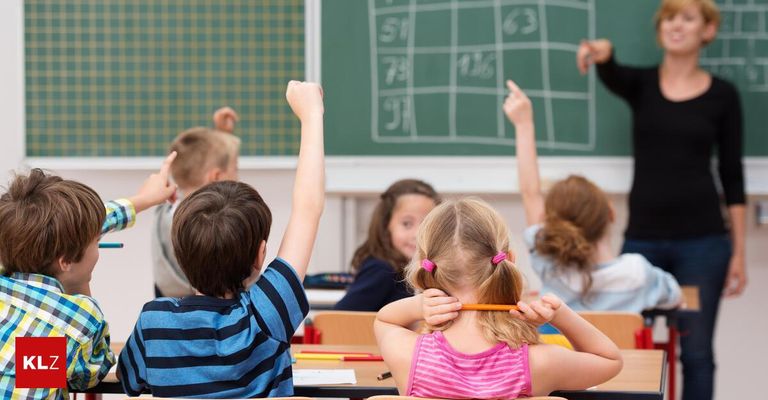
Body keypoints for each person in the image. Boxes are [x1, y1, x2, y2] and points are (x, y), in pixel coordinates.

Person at [576, 1, 746, 398]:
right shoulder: (642, 85)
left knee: (697, 352)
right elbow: (613, 71)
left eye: (687, 17)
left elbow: (733, 175)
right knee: (629, 344)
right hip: (643, 242)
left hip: (703, 245)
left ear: (707, 31)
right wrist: (603, 54)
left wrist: (738, 252)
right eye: (669, 17)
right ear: (659, 30)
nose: (676, 25)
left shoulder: (723, 95)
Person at [117, 81, 325, 398]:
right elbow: (308, 209)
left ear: (181, 252)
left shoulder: (154, 322)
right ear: (260, 256)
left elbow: (129, 380)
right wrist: (312, 116)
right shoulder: (265, 316)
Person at [374, 198, 623, 399]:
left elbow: (384, 321)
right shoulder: (539, 363)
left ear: (425, 266)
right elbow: (609, 360)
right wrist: (561, 316)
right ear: (509, 260)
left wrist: (418, 306)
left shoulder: (409, 355)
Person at [0, 154, 177, 399]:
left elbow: (31, 369)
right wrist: (82, 290)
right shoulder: (76, 319)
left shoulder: (11, 240)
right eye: (96, 242)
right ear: (66, 261)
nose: (97, 247)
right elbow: (91, 374)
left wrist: (142, 200)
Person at [503, 79, 681, 312]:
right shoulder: (638, 273)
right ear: (611, 213)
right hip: (614, 350)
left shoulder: (551, 267)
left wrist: (524, 124)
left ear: (552, 221)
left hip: (561, 350)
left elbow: (530, 193)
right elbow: (675, 297)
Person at [153, 106, 240, 297]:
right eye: (235, 169)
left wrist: (221, 135)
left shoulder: (168, 209)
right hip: (206, 321)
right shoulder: (203, 224)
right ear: (216, 176)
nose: (238, 176)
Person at [335, 179, 440, 311]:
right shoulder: (381, 270)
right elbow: (339, 320)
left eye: (426, 224)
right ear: (386, 226)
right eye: (407, 224)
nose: (417, 234)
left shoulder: (429, 271)